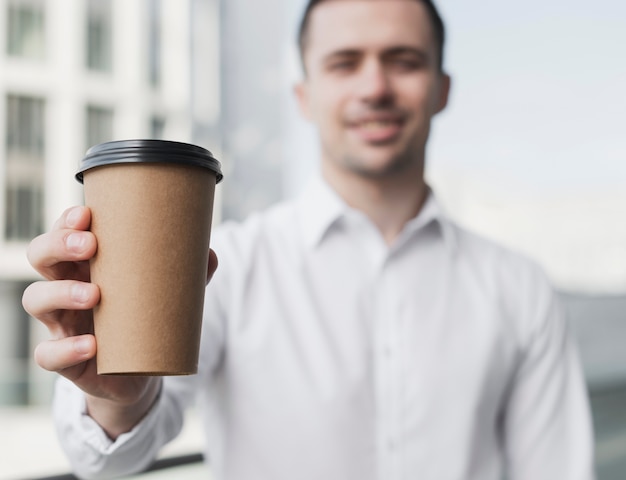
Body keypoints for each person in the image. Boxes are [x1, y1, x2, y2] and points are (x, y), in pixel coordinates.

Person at [23, 0, 595, 479]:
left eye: (404, 61)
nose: (375, 87)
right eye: (345, 63)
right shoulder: (227, 266)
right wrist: (113, 395)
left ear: (442, 89)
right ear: (304, 95)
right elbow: (110, 455)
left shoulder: (518, 288)